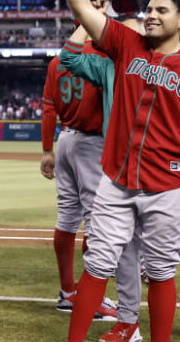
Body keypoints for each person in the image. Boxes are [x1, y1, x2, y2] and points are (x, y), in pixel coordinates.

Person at [49, 0, 180, 342]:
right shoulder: (125, 43)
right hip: (116, 179)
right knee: (97, 263)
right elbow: (81, 9)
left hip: (167, 185)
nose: (150, 16)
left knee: (162, 270)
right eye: (149, 9)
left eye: (162, 11)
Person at [39, 25, 117, 322]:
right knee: (96, 221)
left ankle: (67, 292)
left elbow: (48, 109)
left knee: (67, 218)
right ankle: (89, 297)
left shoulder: (57, 61)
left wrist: (47, 150)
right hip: (92, 144)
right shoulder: (100, 56)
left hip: (65, 141)